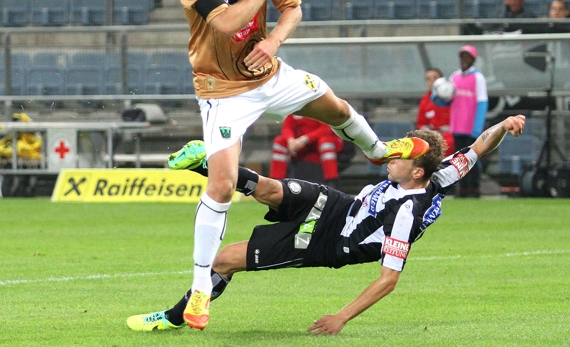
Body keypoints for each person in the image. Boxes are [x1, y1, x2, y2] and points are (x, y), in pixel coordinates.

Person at [173, 0, 429, 331]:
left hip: (271, 74)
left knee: (337, 108)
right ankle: (200, 290)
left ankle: (376, 149)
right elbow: (228, 23)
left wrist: (272, 42)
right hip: (224, 90)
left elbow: (292, 9)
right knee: (221, 184)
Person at [127, 114, 527, 334]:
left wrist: (341, 317)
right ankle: (204, 163)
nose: (390, 157)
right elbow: (476, 148)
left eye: (399, 156)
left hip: (329, 243)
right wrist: (504, 125)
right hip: (337, 205)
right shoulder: (437, 174)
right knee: (267, 189)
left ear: (417, 172)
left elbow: (389, 278)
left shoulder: (408, 210)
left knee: (223, 259)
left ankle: (176, 315)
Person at [446, 45, 488, 198]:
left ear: (473, 59)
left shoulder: (478, 78)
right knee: (459, 159)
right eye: (462, 56)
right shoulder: (454, 77)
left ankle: (475, 188)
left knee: (473, 159)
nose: (464, 60)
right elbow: (448, 99)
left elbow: (482, 103)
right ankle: (462, 189)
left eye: (467, 57)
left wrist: (477, 127)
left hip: (471, 127)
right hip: (457, 126)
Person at [270, 114, 344, 185]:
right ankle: (276, 183)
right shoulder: (297, 108)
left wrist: (304, 139)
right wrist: (291, 140)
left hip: (322, 142)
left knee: (325, 142)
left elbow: (326, 129)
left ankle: (332, 181)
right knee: (279, 142)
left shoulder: (322, 105)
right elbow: (287, 127)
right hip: (301, 144)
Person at [416, 68, 454, 157]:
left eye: (435, 78)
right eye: (428, 79)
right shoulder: (425, 100)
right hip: (431, 135)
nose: (432, 81)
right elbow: (421, 124)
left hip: (449, 136)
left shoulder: (451, 98)